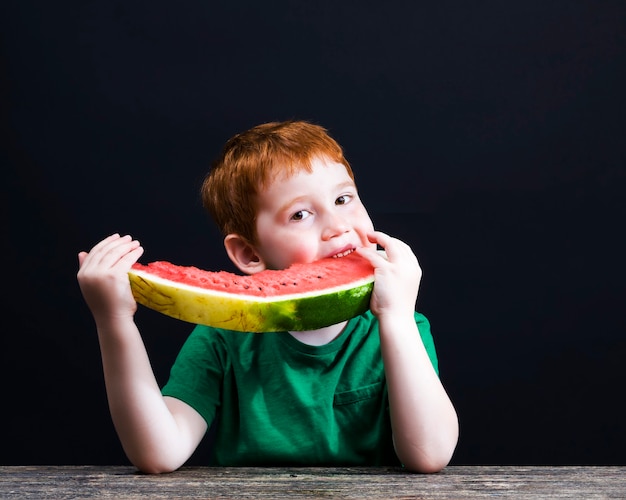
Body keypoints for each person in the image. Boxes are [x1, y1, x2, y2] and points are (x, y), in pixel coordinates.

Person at [77, 120, 458, 474]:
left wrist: (396, 318)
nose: (337, 226)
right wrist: (114, 322)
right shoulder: (224, 336)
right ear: (249, 254)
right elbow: (158, 453)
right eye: (300, 215)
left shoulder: (400, 326)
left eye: (344, 200)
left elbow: (429, 454)